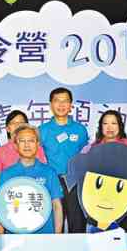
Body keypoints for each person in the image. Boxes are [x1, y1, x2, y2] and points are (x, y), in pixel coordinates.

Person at [0, 124, 63, 234]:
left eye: (31, 141)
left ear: (38, 144)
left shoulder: (49, 172)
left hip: (44, 236)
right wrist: (1, 238)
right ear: (15, 146)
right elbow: (0, 208)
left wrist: (57, 236)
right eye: (22, 141)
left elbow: (57, 206)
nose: (27, 145)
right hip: (15, 236)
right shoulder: (7, 174)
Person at [39, 87, 89, 233]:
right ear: (50, 104)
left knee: (77, 224)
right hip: (52, 181)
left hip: (75, 182)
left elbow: (85, 156)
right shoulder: (42, 130)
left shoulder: (80, 129)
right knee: (54, 225)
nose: (61, 105)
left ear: (71, 104)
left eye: (65, 101)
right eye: (57, 101)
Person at [0, 110, 48, 186]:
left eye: (21, 123)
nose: (18, 126)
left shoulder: (37, 148)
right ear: (8, 128)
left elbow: (44, 173)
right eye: (14, 123)